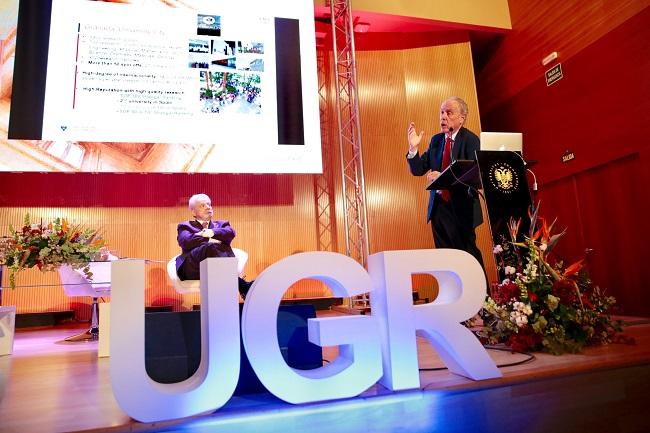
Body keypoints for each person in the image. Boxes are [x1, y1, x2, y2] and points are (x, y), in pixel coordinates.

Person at [406, 96, 485, 270]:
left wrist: (442, 177)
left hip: (461, 209)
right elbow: (418, 169)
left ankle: (483, 296)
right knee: (445, 261)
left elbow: (472, 175)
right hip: (439, 210)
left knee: (468, 258)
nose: (443, 117)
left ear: (461, 118)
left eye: (449, 113)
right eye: (442, 112)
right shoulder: (436, 141)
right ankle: (454, 297)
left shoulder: (470, 140)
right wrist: (413, 149)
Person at [176, 193, 252, 299]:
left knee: (213, 248)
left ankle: (237, 286)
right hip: (193, 269)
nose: (208, 207)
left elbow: (230, 233)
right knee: (210, 247)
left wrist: (211, 232)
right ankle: (242, 285)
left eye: (209, 204)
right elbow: (185, 241)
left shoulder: (222, 224)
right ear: (193, 211)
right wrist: (208, 237)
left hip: (219, 268)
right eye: (202, 205)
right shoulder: (185, 226)